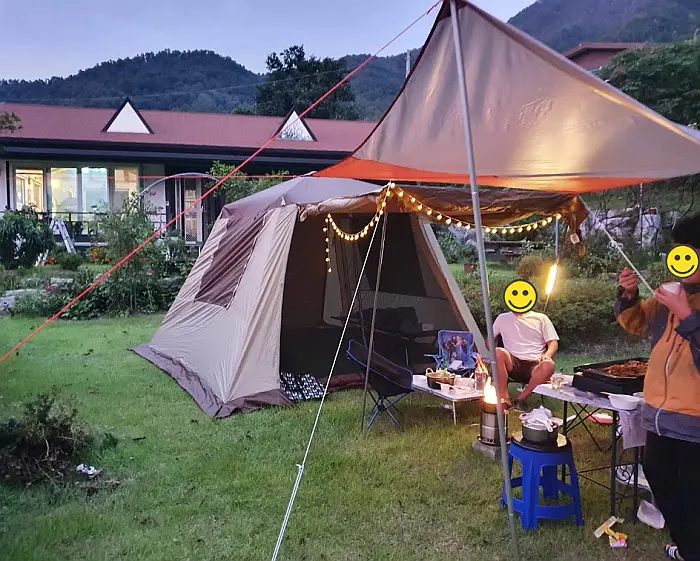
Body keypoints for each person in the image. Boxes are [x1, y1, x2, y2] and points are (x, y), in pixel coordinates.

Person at [616, 213, 700, 561]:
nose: (682, 259)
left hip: (693, 420)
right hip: (659, 415)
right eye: (679, 250)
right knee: (660, 480)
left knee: (692, 494)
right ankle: (689, 548)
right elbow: (636, 322)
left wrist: (688, 315)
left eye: (690, 251)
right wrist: (628, 294)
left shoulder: (684, 302)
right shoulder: (671, 294)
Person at [493, 310, 559, 411]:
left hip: (535, 363)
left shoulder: (541, 318)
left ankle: (520, 400)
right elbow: (489, 341)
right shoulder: (502, 318)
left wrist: (547, 355)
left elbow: (553, 342)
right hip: (512, 362)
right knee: (498, 352)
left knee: (549, 365)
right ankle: (504, 399)